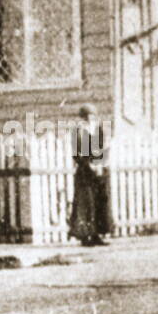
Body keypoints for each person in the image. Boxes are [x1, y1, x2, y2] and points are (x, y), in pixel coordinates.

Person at [69, 104, 112, 246]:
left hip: (99, 170)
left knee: (99, 202)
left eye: (92, 116)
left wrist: (100, 164)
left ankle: (97, 234)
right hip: (85, 172)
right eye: (86, 116)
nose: (89, 119)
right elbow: (76, 154)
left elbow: (104, 148)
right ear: (81, 118)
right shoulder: (78, 132)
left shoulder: (99, 130)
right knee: (86, 204)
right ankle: (85, 236)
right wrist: (87, 164)